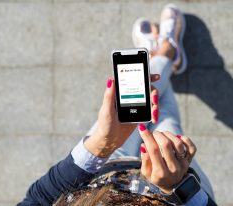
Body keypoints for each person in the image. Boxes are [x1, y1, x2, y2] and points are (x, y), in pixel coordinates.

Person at [18, 4, 216, 206]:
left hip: (108, 166)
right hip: (174, 185)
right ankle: (165, 52)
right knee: (165, 121)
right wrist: (178, 187)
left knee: (151, 102)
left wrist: (101, 143)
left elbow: (37, 199)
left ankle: (163, 54)